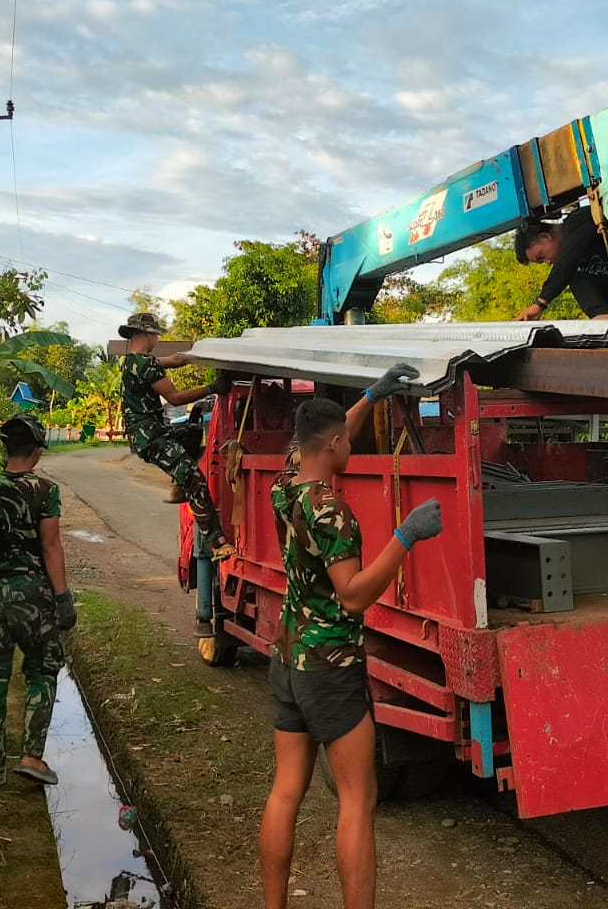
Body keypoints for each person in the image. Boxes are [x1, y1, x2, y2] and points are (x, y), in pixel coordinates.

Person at [259, 366, 441, 909]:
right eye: (347, 439)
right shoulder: (331, 510)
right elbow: (354, 594)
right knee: (358, 800)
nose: (351, 443)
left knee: (286, 791)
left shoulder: (284, 487)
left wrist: (371, 395)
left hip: (289, 660)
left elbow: (327, 435)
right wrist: (407, 535)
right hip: (331, 669)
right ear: (335, 444)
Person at [0, 414, 76, 788]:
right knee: (42, 669)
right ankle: (31, 757)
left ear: (5, 447)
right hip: (32, 596)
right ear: (37, 450)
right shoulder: (45, 491)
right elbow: (50, 545)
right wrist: (62, 598)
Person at [115, 311, 235, 560]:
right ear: (147, 334)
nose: (157, 339)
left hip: (147, 434)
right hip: (151, 436)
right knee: (196, 480)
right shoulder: (146, 365)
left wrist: (197, 354)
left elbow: (174, 360)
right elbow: (175, 398)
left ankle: (177, 488)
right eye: (156, 335)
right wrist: (212, 388)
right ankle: (217, 543)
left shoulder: (130, 362)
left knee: (191, 432)